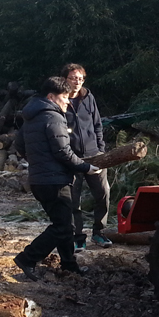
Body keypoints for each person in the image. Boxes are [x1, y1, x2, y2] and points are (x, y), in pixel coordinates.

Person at [13, 76, 99, 281]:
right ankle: (27, 258)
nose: (68, 102)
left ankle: (69, 265)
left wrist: (38, 161)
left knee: (65, 225)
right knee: (61, 226)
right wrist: (85, 167)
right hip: (54, 181)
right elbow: (63, 151)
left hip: (39, 179)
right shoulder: (53, 116)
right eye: (64, 97)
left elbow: (20, 146)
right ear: (51, 97)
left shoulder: (31, 116)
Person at [63, 63, 112, 249]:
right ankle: (78, 238)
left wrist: (100, 148)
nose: (77, 82)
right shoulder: (60, 100)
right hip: (71, 159)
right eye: (73, 78)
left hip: (94, 155)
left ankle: (99, 233)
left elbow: (97, 124)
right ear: (65, 79)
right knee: (73, 200)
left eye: (81, 79)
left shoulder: (88, 98)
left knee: (103, 194)